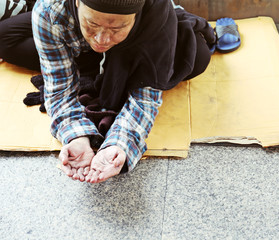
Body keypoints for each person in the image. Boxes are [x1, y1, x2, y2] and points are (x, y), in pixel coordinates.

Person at [0, 0, 215, 183]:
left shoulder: (157, 15)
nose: (102, 39)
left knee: (196, 57)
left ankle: (110, 66)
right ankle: (101, 65)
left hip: (142, 41)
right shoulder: (50, 11)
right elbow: (59, 89)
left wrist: (120, 145)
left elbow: (146, 97)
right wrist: (75, 135)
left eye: (116, 29)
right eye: (92, 24)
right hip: (80, 45)